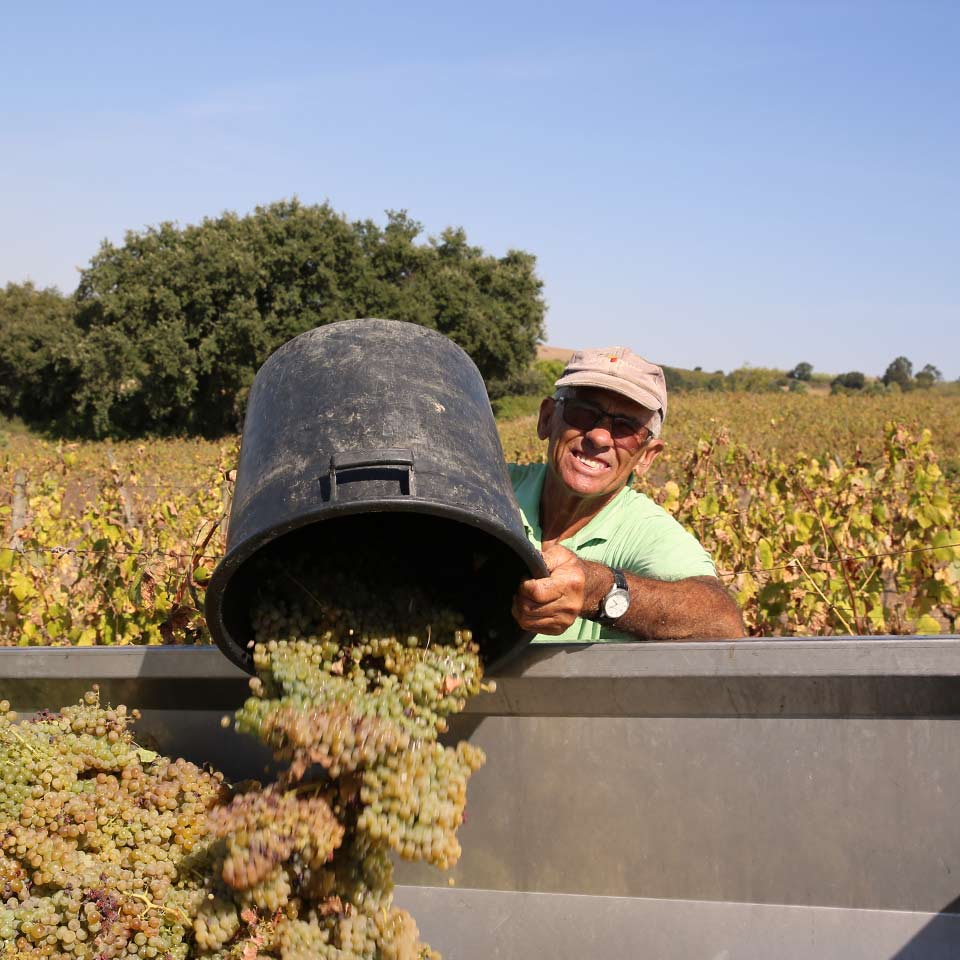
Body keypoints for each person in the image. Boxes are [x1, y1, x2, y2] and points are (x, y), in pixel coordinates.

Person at [509, 346, 745, 642]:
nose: (599, 436)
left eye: (626, 428)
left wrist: (601, 591)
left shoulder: (645, 532)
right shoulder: (492, 486)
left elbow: (723, 625)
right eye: (582, 413)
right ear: (546, 419)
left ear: (647, 456)